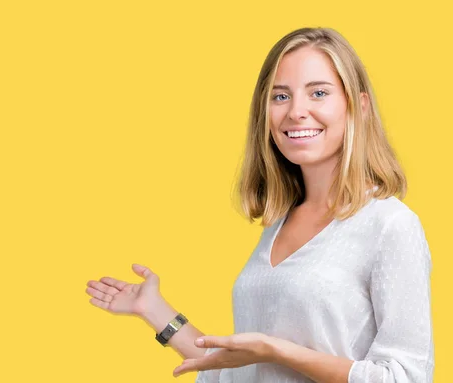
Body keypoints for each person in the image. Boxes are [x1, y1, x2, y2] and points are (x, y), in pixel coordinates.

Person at [84, 27, 434, 382]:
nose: (297, 111)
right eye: (280, 96)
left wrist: (276, 348)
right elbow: (243, 370)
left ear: (358, 106)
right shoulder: (279, 223)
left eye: (318, 93)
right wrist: (156, 311)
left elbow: (405, 377)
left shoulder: (389, 225)